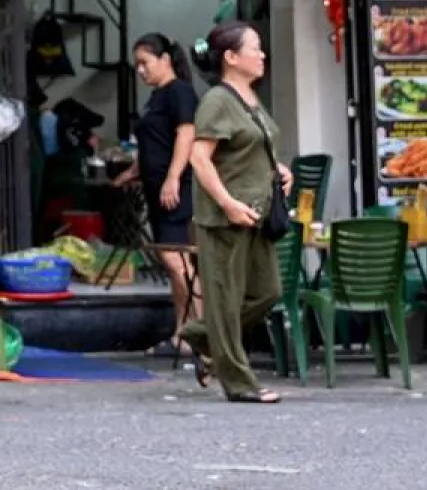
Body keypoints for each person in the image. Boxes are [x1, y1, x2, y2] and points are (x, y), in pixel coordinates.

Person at [180, 20, 292, 403]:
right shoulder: (217, 101)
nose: (262, 55)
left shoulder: (251, 100)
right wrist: (227, 203)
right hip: (226, 216)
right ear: (231, 57)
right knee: (226, 301)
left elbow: (250, 148)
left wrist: (278, 169)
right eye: (254, 48)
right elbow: (200, 157)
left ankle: (199, 336)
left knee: (268, 291)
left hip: (258, 212)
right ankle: (241, 383)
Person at [112, 34, 199, 355]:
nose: (140, 70)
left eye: (145, 63)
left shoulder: (180, 93)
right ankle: (183, 333)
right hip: (156, 188)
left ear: (165, 60)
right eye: (137, 64)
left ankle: (202, 333)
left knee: (177, 261)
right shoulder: (156, 98)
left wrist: (173, 178)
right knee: (171, 258)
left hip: (174, 189)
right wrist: (134, 171)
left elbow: (186, 135)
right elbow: (153, 142)